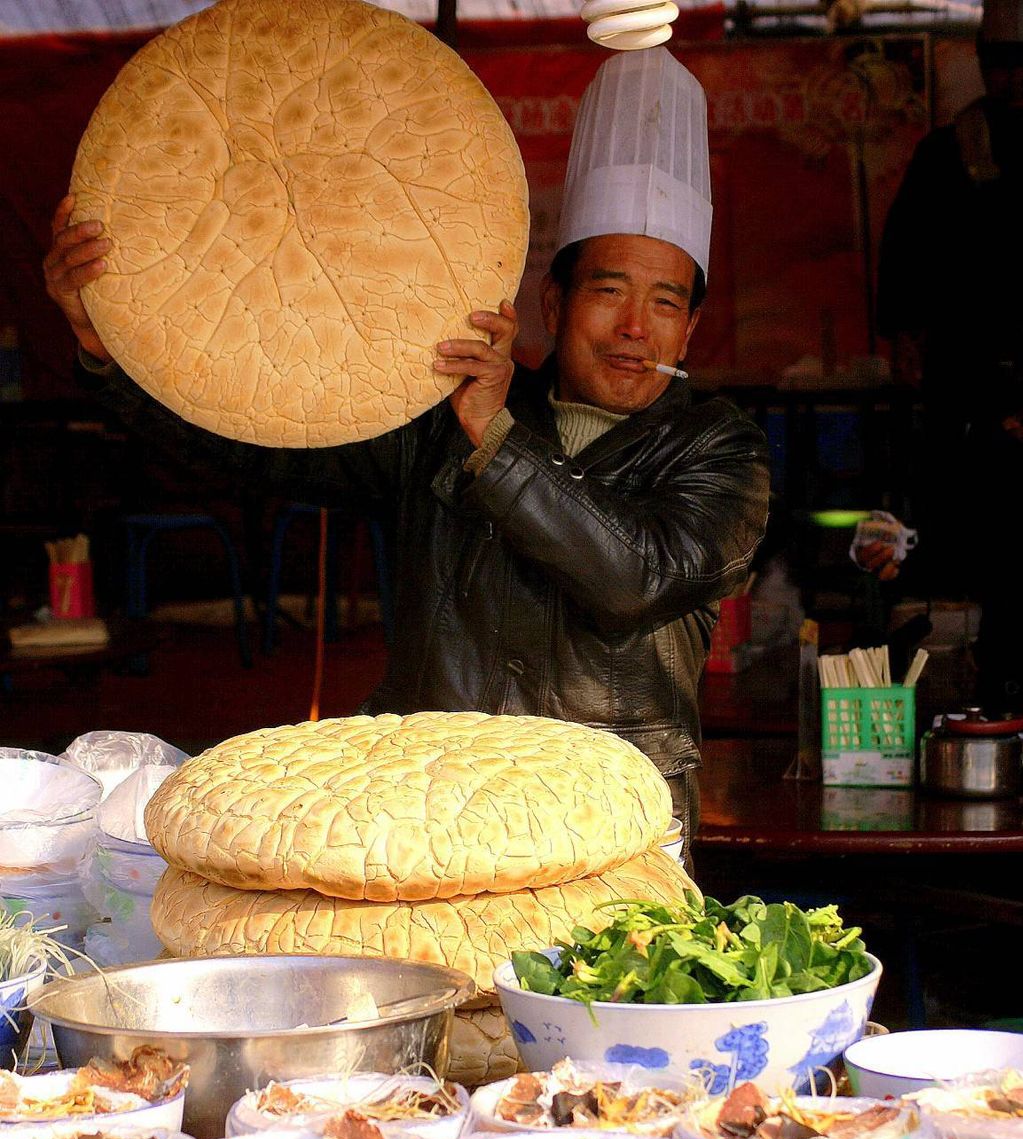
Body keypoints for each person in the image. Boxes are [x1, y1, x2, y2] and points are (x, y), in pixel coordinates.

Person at [43, 49, 769, 846]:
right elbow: (262, 446)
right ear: (552, 303)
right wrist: (107, 349)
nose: (636, 327)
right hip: (430, 805)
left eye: (665, 302)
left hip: (613, 819)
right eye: (608, 290)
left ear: (689, 328)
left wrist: (497, 438)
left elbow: (637, 576)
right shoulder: (443, 409)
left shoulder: (719, 449)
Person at [877, 0, 1023, 706]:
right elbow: (903, 258)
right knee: (973, 532)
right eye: (1001, 64)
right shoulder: (949, 152)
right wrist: (905, 337)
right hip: (966, 387)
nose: (1013, 80)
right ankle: (976, 687)